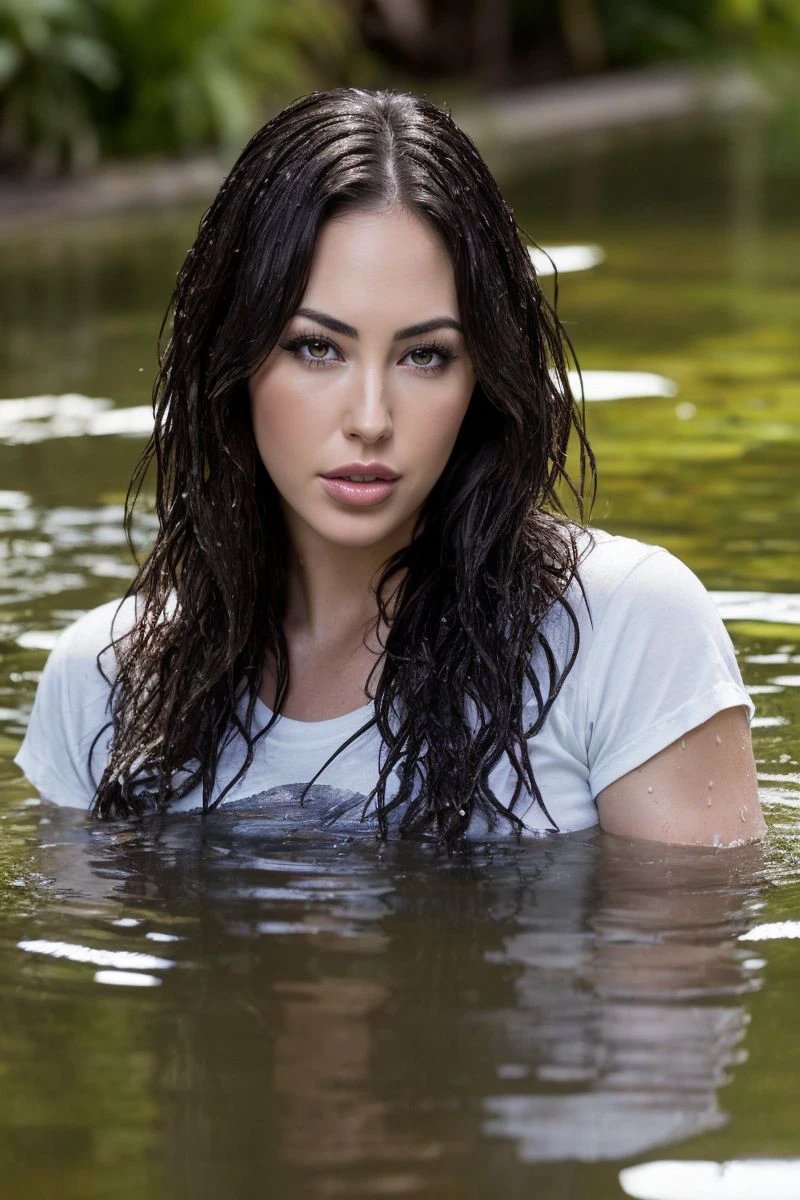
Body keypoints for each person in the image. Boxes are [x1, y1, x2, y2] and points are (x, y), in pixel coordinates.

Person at [14, 87, 764, 849]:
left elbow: (687, 953)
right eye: (317, 347)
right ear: (232, 363)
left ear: (482, 380)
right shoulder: (108, 686)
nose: (370, 418)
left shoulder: (625, 632)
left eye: (425, 355)